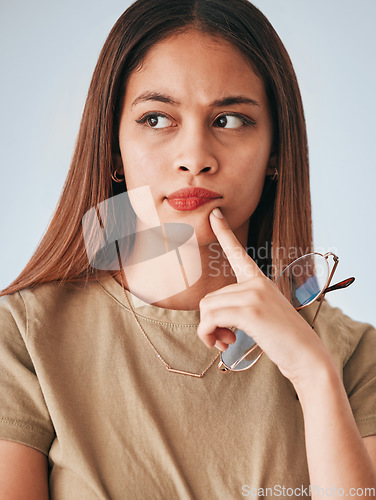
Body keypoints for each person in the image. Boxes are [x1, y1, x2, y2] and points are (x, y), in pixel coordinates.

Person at [0, 0, 375, 498]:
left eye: (231, 120)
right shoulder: (24, 339)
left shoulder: (352, 356)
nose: (194, 157)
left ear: (276, 153)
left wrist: (312, 374)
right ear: (114, 148)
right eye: (156, 119)